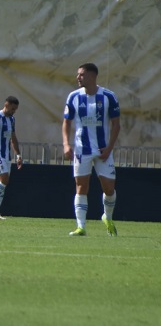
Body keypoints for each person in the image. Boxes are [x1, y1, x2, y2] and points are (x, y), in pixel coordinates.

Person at [63, 63, 120, 236]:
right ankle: (81, 226)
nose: (78, 77)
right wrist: (66, 144)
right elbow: (66, 123)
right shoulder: (73, 96)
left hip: (103, 150)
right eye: (78, 74)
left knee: (109, 189)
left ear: (92, 76)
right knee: (81, 186)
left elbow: (116, 125)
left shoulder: (109, 96)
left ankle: (107, 217)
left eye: (81, 74)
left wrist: (109, 148)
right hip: (82, 149)